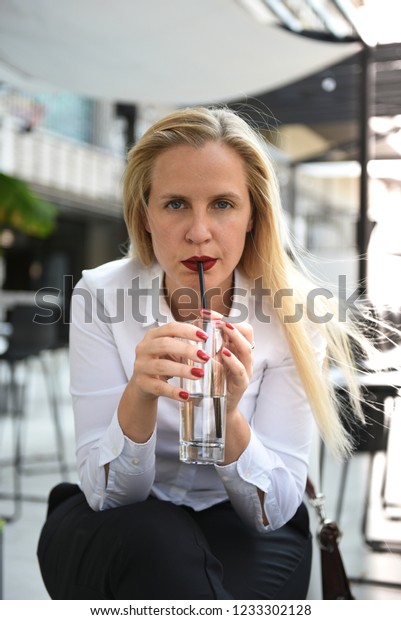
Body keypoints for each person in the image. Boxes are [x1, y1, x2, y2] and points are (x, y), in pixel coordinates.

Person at [37, 106, 365, 600]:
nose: (198, 231)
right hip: (128, 518)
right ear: (144, 214)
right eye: (174, 204)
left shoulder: (292, 315)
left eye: (223, 204)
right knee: (158, 547)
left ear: (254, 215)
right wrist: (139, 395)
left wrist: (228, 415)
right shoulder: (100, 296)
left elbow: (270, 511)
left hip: (243, 519)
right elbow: (107, 495)